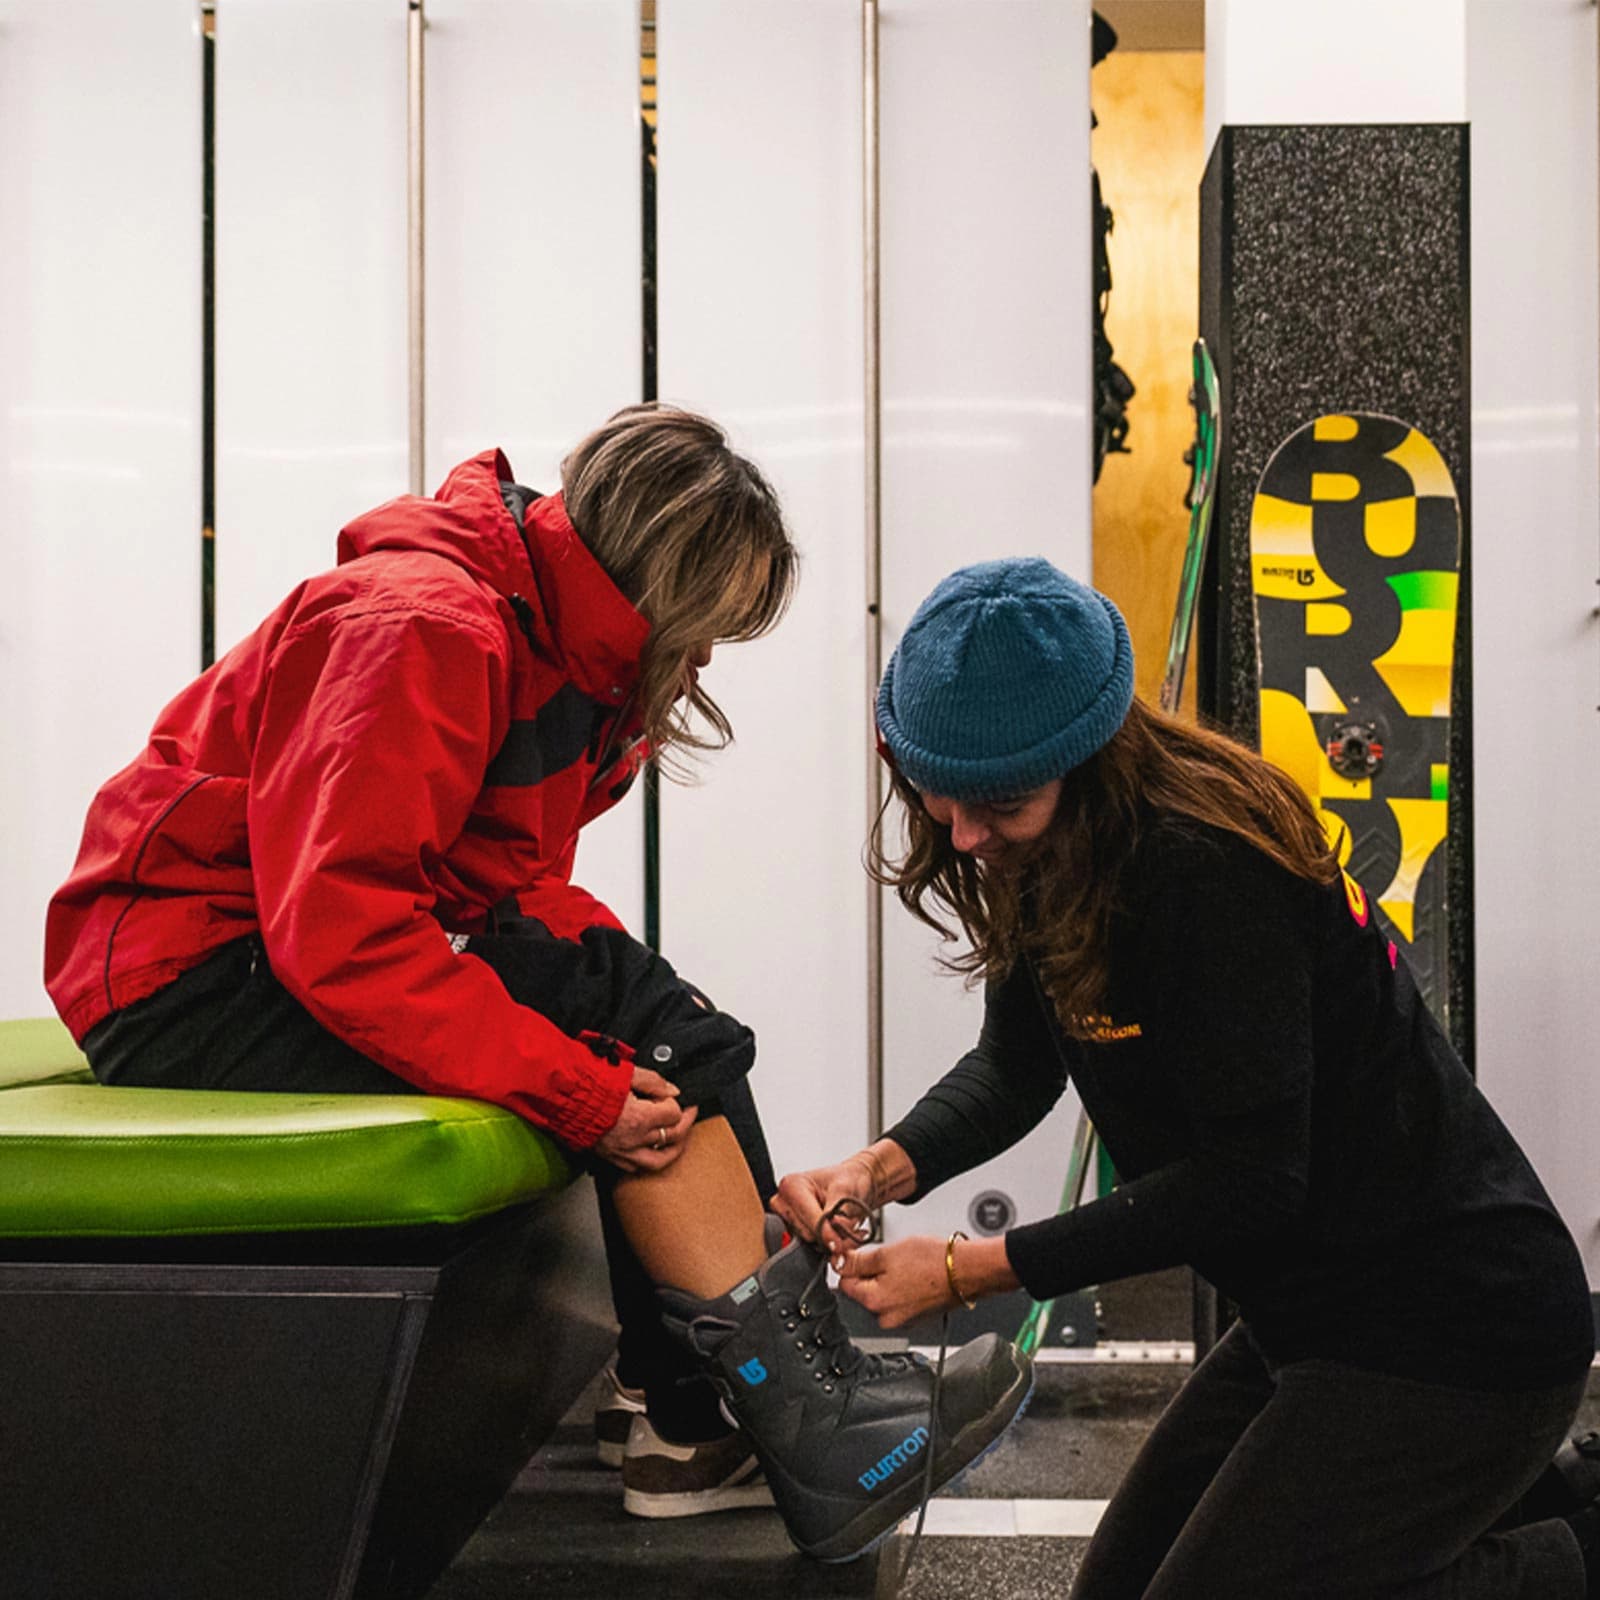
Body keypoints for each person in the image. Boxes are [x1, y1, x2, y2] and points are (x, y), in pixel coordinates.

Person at [43, 405, 1029, 1563]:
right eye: (704, 627)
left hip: (256, 941)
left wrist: (663, 1026)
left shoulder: (552, 645)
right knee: (628, 1049)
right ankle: (766, 1418)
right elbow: (344, 926)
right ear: (655, 586)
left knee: (665, 1024)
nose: (705, 658)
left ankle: (706, 1417)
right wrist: (575, 1089)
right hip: (187, 977)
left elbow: (498, 889)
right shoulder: (427, 628)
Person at [774, 556, 1600, 1597]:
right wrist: (878, 1169)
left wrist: (978, 1266)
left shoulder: (1204, 869)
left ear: (1089, 762)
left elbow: (1251, 1181)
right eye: (941, 797)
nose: (966, 834)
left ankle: (1571, 1556)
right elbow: (1015, 1064)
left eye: (1001, 805)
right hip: (1308, 1317)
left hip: (1450, 1328)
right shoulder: (1054, 855)